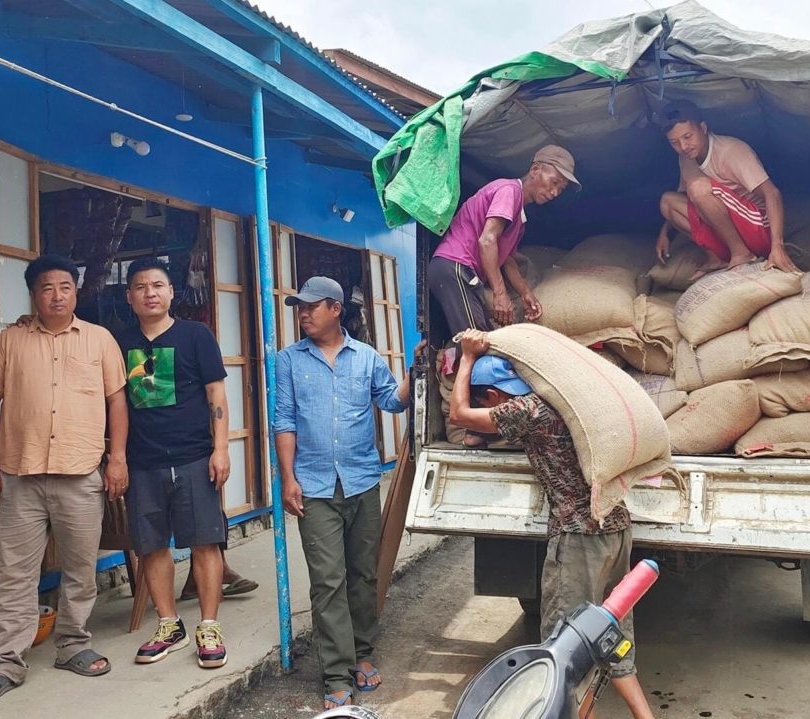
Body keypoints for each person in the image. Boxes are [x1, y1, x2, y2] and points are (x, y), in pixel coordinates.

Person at [448, 329, 656, 719]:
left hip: (578, 538)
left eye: (486, 401)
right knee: (612, 632)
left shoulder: (524, 411)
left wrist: (467, 358)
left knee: (566, 645)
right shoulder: (565, 404)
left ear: (492, 397)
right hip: (615, 527)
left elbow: (458, 415)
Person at [0, 255, 128, 706]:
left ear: (77, 292)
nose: (56, 295)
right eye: (46, 288)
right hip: (20, 474)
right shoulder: (10, 340)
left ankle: (73, 644)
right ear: (33, 295)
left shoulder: (100, 340)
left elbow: (117, 401)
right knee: (12, 572)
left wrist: (116, 459)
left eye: (64, 287)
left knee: (80, 567)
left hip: (80, 473)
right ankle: (6, 662)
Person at [273, 276, 419, 710]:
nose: (303, 314)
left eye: (310, 306)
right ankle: (336, 672)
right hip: (313, 487)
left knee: (363, 574)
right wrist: (287, 478)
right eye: (299, 307)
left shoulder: (367, 358)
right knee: (327, 581)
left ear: (335, 309)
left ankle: (362, 653)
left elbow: (393, 402)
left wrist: (414, 372)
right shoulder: (288, 361)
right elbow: (284, 421)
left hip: (361, 481)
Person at [117, 257, 232, 669]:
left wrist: (221, 449)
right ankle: (169, 624)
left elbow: (216, 395)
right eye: (141, 287)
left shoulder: (195, 335)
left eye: (158, 285)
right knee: (151, 545)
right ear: (130, 297)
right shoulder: (118, 341)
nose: (150, 292)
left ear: (171, 293)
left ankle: (209, 624)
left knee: (204, 541)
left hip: (194, 456)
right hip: (142, 461)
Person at [427, 144, 580, 335]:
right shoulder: (509, 191)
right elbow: (487, 241)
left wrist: (526, 293)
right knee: (477, 341)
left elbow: (507, 260)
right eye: (554, 182)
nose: (555, 192)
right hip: (455, 267)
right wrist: (500, 294)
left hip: (462, 273)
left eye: (561, 188)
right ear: (535, 170)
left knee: (483, 337)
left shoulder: (518, 219)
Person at [655, 100, 800, 280]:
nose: (683, 147)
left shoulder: (731, 151)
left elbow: (772, 193)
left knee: (699, 187)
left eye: (688, 137)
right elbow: (683, 197)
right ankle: (716, 258)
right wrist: (664, 233)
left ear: (703, 128)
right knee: (668, 201)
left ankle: (742, 254)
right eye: (674, 142)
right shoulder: (686, 158)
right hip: (731, 232)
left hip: (759, 228)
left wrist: (777, 247)